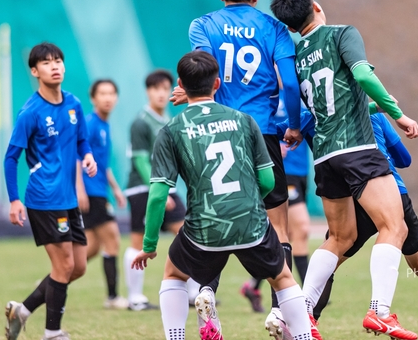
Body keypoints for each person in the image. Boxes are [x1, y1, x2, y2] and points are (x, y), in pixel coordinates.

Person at [271, 0, 418, 340]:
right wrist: (397, 114)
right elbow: (363, 75)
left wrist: (294, 127)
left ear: (290, 25)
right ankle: (379, 313)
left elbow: (304, 96)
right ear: (315, 5)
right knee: (395, 227)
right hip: (356, 148)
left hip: (324, 157)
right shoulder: (342, 34)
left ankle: (303, 315)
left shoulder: (294, 55)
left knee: (340, 237)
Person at [131, 50, 313, 340]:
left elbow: (157, 195)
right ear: (217, 83)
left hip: (204, 228)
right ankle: (304, 337)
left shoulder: (171, 130)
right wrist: (249, 203)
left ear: (180, 84)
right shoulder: (245, 121)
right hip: (250, 222)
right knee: (282, 278)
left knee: (174, 275)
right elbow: (267, 179)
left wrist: (149, 245)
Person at [173, 0, 307, 336]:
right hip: (262, 132)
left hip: (218, 131)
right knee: (278, 224)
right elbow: (290, 84)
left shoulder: (203, 25)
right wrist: (293, 126)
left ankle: (206, 291)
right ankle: (280, 311)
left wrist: (189, 94)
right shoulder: (274, 28)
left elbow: (204, 71)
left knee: (214, 216)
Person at [278, 110, 418, 340]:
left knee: (332, 254)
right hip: (386, 190)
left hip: (348, 197)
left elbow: (278, 130)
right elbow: (404, 159)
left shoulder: (313, 115)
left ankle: (304, 321)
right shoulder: (372, 112)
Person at [4, 42, 97, 340]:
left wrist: (88, 156)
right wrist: (14, 200)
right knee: (64, 265)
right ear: (35, 71)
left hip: (68, 198)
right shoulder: (30, 112)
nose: (54, 66)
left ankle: (23, 310)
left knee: (78, 267)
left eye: (58, 60)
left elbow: (82, 141)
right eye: (46, 62)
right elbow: (11, 158)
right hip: (44, 199)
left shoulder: (74, 104)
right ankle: (52, 333)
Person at [240, 90, 312, 314]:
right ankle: (309, 293)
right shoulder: (269, 95)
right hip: (282, 171)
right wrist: (270, 145)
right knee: (301, 227)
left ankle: (253, 285)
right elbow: (259, 128)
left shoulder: (304, 93)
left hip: (301, 171)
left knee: (288, 234)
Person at [123, 70, 187, 311]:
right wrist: (158, 190)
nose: (161, 93)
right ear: (147, 91)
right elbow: (140, 160)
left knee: (187, 232)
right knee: (138, 241)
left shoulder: (168, 120)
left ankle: (192, 292)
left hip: (165, 187)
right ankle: (135, 298)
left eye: (165, 88)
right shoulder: (141, 122)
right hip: (143, 187)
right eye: (155, 88)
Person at [75, 79, 129, 309]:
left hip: (100, 191)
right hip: (91, 192)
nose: (107, 98)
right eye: (102, 93)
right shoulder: (90, 123)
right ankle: (113, 297)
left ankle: (55, 279)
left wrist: (115, 188)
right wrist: (79, 189)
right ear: (93, 98)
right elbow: (77, 157)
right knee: (113, 240)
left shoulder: (105, 125)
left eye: (111, 93)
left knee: (92, 247)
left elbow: (101, 164)